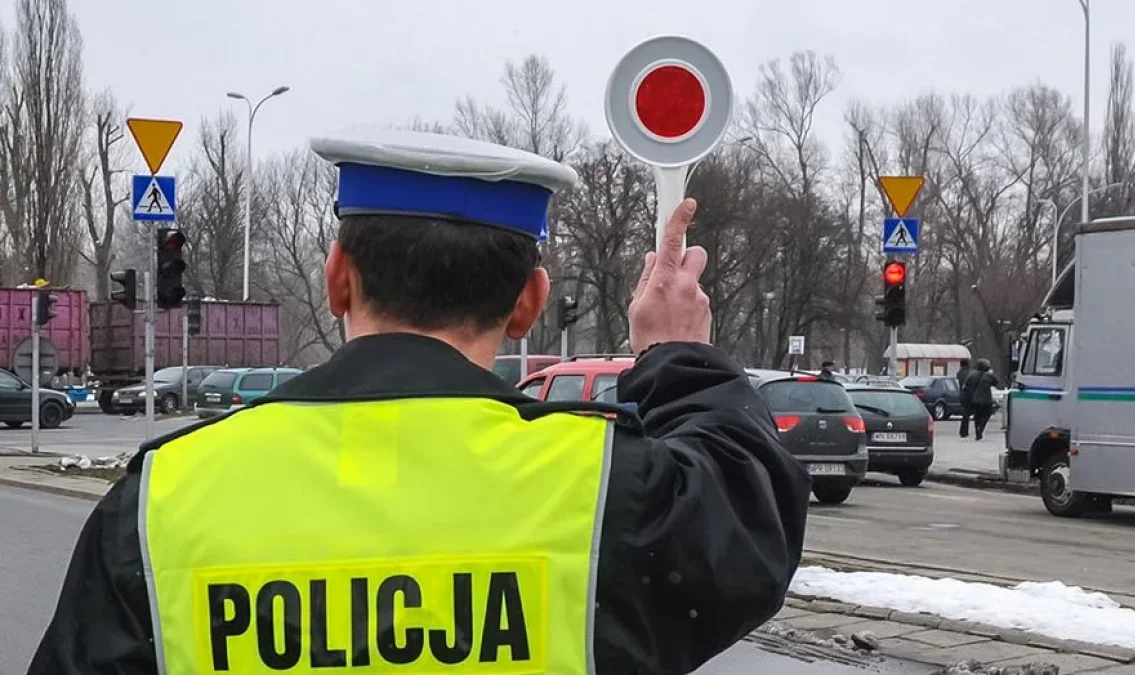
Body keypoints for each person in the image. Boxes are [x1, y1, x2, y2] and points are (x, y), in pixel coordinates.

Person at [28, 130, 810, 675]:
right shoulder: (603, 492)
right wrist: (674, 354)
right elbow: (748, 509)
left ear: (337, 277)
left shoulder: (164, 497)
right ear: (528, 303)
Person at [962, 358, 1001, 441]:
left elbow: (965, 387)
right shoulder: (989, 376)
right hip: (986, 400)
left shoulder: (971, 375)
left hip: (974, 400)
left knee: (977, 416)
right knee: (987, 414)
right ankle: (981, 427)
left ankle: (978, 433)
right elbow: (997, 383)